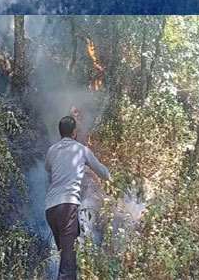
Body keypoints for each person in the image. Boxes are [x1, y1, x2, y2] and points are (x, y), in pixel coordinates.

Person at [45, 115, 110, 280]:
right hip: (67, 207)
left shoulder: (51, 150)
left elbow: (48, 169)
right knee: (68, 264)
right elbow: (104, 174)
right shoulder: (81, 150)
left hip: (50, 209)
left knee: (66, 257)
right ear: (74, 132)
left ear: (60, 132)